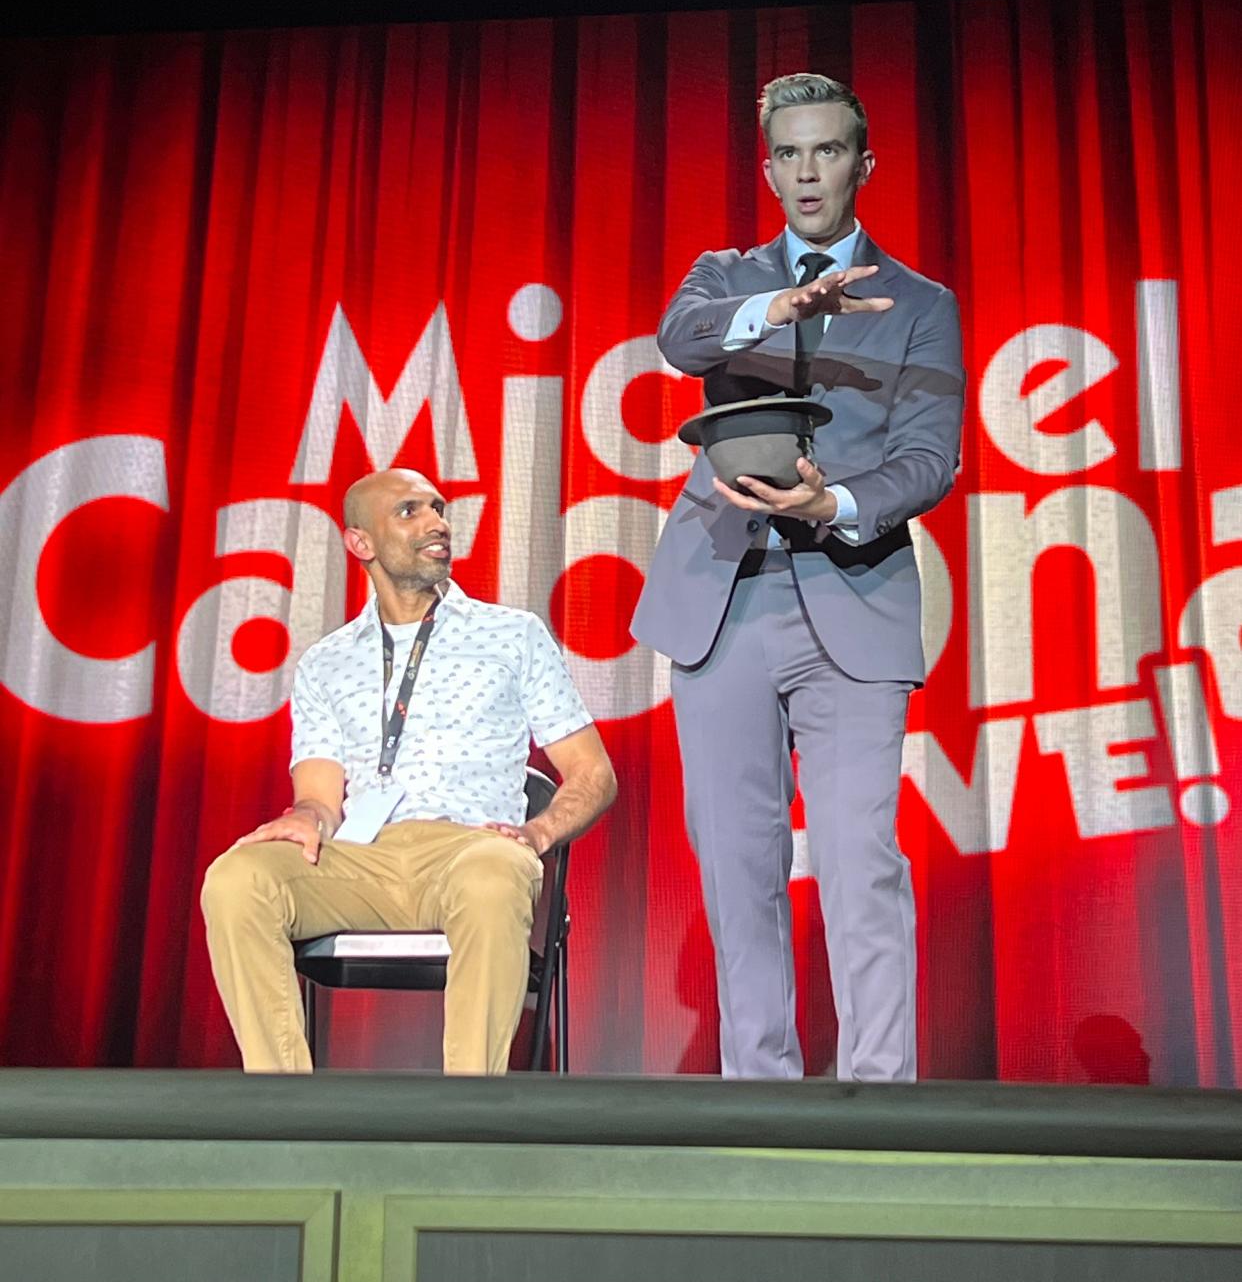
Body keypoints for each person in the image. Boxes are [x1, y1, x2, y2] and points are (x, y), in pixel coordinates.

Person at [631, 73, 964, 1082]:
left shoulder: (920, 304)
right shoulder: (722, 277)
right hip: (722, 600)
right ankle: (760, 1098)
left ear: (865, 163)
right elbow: (678, 338)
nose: (808, 171)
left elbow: (928, 455)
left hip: (852, 595)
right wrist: (785, 300)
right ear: (767, 168)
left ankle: (877, 1099)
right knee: (740, 869)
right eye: (790, 153)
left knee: (862, 860)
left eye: (828, 151)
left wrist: (833, 506)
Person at [202, 467, 616, 1074]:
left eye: (438, 508)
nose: (437, 523)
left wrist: (537, 834)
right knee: (237, 877)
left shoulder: (512, 635)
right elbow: (319, 796)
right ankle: (285, 1110)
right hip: (362, 860)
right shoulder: (327, 662)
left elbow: (593, 773)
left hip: (469, 850)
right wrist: (304, 816)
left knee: (495, 874)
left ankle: (467, 1124)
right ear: (360, 543)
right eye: (410, 511)